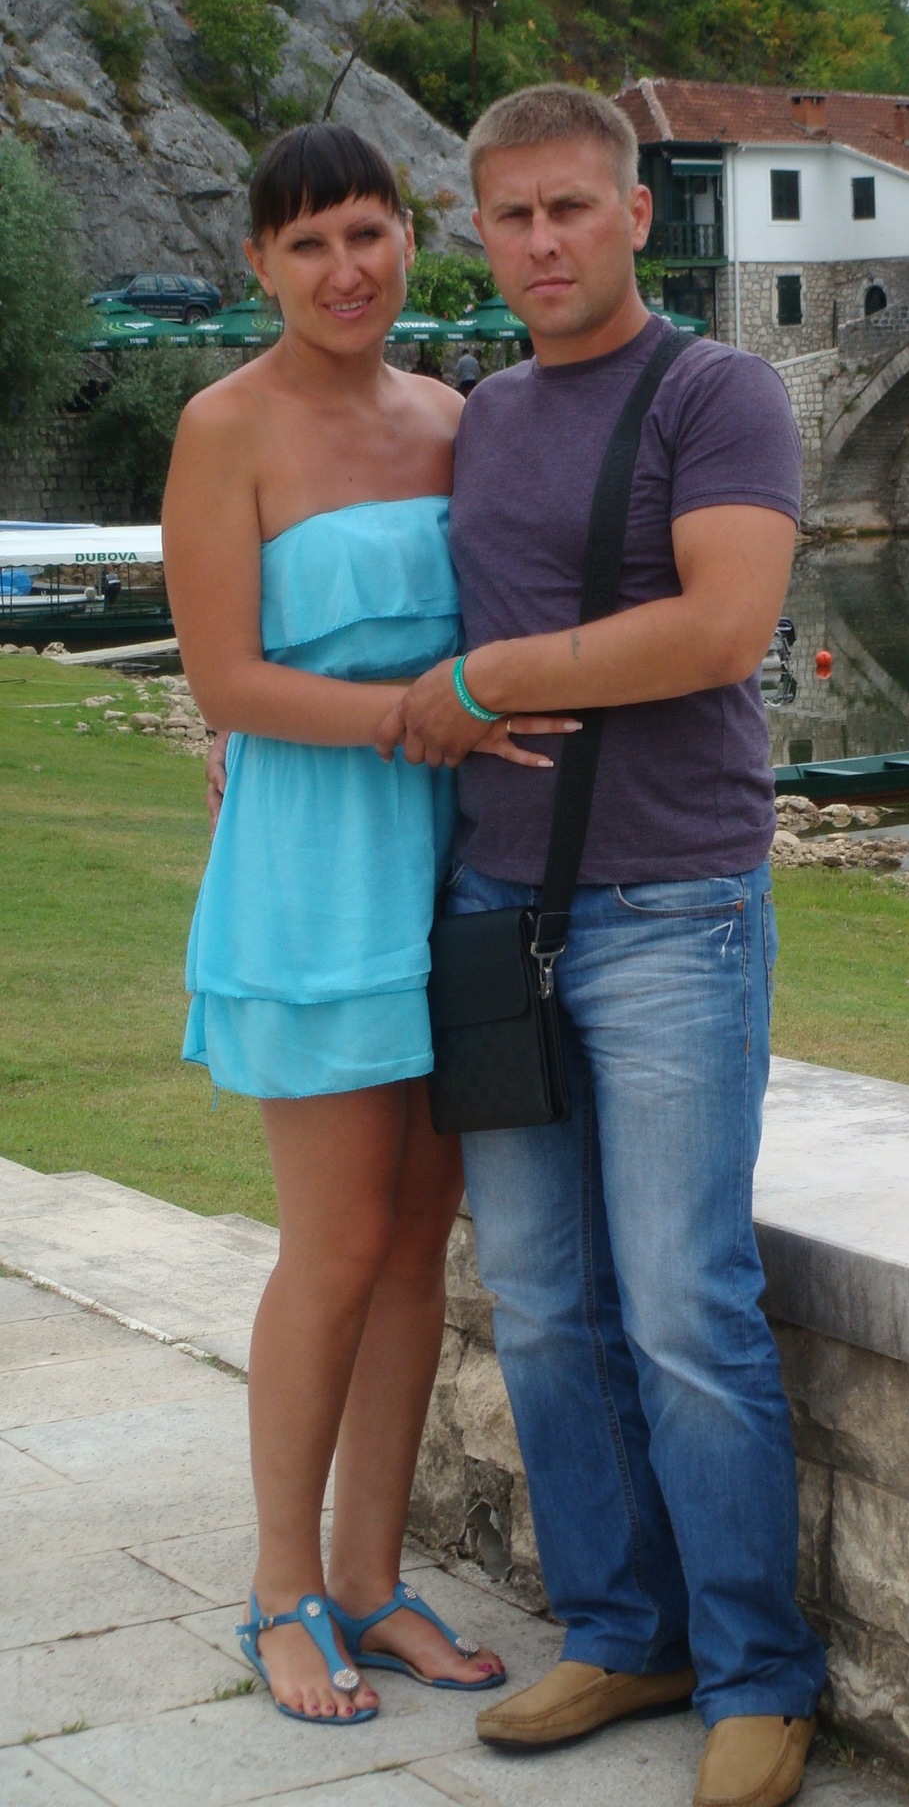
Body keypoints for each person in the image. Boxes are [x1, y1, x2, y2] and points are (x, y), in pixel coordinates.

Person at [375, 85, 824, 1807]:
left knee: (687, 1305)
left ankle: (759, 1674)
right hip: (497, 907)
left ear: (637, 217)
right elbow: (397, 601)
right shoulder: (483, 415)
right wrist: (267, 735)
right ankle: (625, 1631)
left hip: (672, 906)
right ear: (480, 232)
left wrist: (491, 680)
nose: (543, 241)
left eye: (572, 208)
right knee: (548, 1306)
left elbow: (721, 628)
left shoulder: (717, 393)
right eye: (512, 215)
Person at [163, 123, 573, 1726]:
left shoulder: (458, 421)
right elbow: (228, 681)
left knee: (415, 1248)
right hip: (314, 866)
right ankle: (278, 1594)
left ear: (412, 237)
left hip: (453, 869)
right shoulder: (224, 427)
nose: (346, 269)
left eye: (368, 232)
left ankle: (371, 1578)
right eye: (309, 242)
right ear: (260, 265)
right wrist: (431, 715)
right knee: (332, 1246)